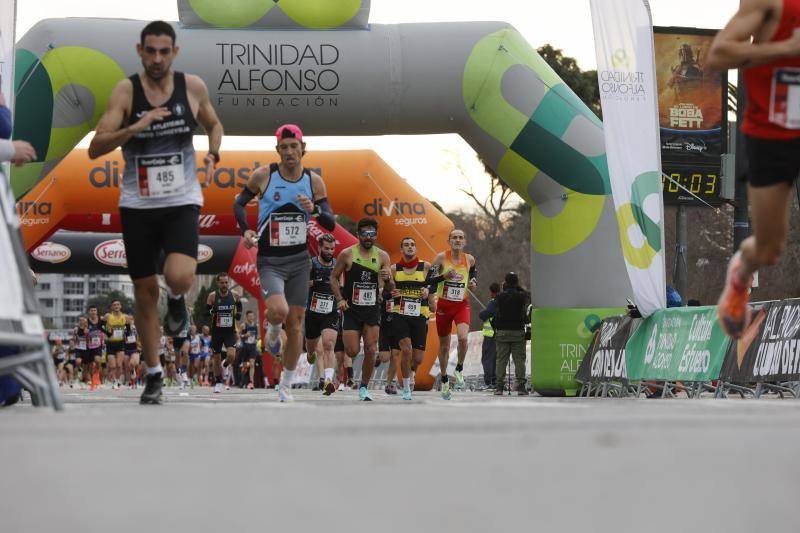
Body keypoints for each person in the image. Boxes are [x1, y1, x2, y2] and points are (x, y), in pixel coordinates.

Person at [88, 20, 224, 404]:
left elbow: (214, 124)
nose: (158, 58)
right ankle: (153, 375)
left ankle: (178, 298)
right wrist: (138, 125)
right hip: (138, 203)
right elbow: (96, 147)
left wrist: (213, 153)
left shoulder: (192, 87)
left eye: (165, 51)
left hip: (181, 198)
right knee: (145, 292)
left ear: (175, 53)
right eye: (151, 51)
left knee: (179, 277)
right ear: (140, 51)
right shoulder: (126, 92)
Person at [707, 0, 800, 338]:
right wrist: (786, 48)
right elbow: (718, 55)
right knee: (769, 247)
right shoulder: (770, 3)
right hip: (772, 134)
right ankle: (741, 273)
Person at [233, 124, 335, 402]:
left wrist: (314, 209)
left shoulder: (314, 181)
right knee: (278, 310)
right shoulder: (264, 175)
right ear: (277, 150)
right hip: (271, 261)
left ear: (303, 148)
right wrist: (246, 230)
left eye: (294, 146)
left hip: (300, 262)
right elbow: (238, 203)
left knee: (297, 324)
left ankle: (286, 385)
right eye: (284, 147)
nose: (290, 151)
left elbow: (330, 220)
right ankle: (272, 328)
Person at [330, 217, 393, 401]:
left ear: (376, 235)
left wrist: (388, 279)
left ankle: (364, 387)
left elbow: (390, 288)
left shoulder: (383, 256)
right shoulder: (347, 254)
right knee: (351, 351)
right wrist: (340, 299)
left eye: (372, 233)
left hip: (372, 309)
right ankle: (348, 376)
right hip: (351, 308)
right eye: (364, 233)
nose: (368, 237)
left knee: (372, 349)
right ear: (358, 235)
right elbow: (333, 278)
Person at [430, 229, 477, 400]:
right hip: (443, 305)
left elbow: (473, 274)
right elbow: (429, 279)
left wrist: (473, 283)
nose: (458, 240)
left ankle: (459, 368)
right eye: (454, 237)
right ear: (449, 241)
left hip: (461, 305)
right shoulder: (441, 258)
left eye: (461, 237)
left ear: (464, 241)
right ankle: (444, 378)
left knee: (463, 338)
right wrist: (443, 276)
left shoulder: (469, 259)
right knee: (444, 346)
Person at [389, 237, 433, 401]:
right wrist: (389, 292)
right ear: (402, 249)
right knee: (406, 350)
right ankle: (406, 387)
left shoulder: (426, 266)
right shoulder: (394, 269)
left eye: (412, 245)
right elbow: (386, 289)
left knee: (418, 358)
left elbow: (432, 284)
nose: (410, 247)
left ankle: (412, 372)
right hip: (400, 314)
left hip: (420, 314)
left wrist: (428, 291)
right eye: (406, 245)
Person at [482, 273, 530, 396]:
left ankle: (499, 387)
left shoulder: (499, 297)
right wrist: (517, 287)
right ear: (516, 283)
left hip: (502, 333)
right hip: (518, 333)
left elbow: (490, 312)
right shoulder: (521, 297)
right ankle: (521, 387)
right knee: (519, 360)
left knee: (501, 360)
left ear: (506, 283)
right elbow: (527, 296)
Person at [304, 233, 340, 396]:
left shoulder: (338, 264)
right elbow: (301, 283)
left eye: (332, 249)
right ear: (319, 248)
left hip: (330, 311)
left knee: (329, 345)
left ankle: (328, 380)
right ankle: (310, 354)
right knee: (311, 347)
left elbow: (343, 284)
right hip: (312, 312)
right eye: (326, 248)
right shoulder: (311, 264)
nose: (330, 251)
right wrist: (315, 282)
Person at [207, 272, 241, 393]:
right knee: (216, 358)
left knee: (231, 356)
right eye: (222, 282)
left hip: (230, 331)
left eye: (226, 282)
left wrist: (238, 314)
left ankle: (225, 365)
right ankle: (218, 382)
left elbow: (239, 305)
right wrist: (213, 311)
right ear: (218, 283)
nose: (224, 285)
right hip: (217, 331)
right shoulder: (212, 296)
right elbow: (207, 311)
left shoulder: (235, 295)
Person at [478, 282, 501, 390]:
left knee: (487, 359)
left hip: (490, 335)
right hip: (498, 334)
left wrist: (482, 312)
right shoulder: (501, 302)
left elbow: (485, 314)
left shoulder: (493, 302)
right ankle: (495, 380)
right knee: (496, 359)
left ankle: (489, 381)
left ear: (491, 292)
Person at [378, 286, 399, 395]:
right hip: (385, 326)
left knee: (395, 355)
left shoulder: (404, 287)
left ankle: (389, 383)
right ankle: (378, 356)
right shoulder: (383, 290)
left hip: (398, 326)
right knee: (385, 358)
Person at [102, 300, 127, 389]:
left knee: (119, 365)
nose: (116, 306)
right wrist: (108, 333)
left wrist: (126, 334)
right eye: (114, 305)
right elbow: (100, 325)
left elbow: (128, 329)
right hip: (111, 343)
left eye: (118, 304)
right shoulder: (108, 316)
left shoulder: (125, 317)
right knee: (112, 366)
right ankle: (114, 381)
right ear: (112, 307)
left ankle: (117, 380)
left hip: (121, 343)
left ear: (120, 306)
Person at [239, 311, 260, 390]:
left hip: (252, 347)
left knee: (252, 364)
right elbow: (238, 335)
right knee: (245, 366)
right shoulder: (243, 325)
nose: (251, 318)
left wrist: (256, 339)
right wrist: (245, 335)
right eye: (250, 316)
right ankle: (243, 380)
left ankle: (251, 382)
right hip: (245, 347)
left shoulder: (256, 325)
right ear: (246, 317)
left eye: (252, 316)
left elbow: (258, 335)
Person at [86, 306, 105, 391]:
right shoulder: (86, 321)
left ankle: (97, 376)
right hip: (89, 346)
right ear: (89, 312)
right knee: (90, 365)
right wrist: (85, 331)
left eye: (95, 310)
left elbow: (105, 329)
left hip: (98, 345)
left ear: (97, 311)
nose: (93, 312)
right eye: (92, 310)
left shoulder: (101, 320)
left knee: (97, 361)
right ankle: (92, 380)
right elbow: (81, 331)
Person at [123, 315, 140, 388]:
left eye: (130, 319)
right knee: (127, 367)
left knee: (132, 363)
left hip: (134, 349)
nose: (129, 320)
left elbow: (139, 337)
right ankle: (130, 382)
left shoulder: (135, 328)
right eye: (127, 319)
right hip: (126, 349)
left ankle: (134, 381)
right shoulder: (123, 328)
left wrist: (139, 344)